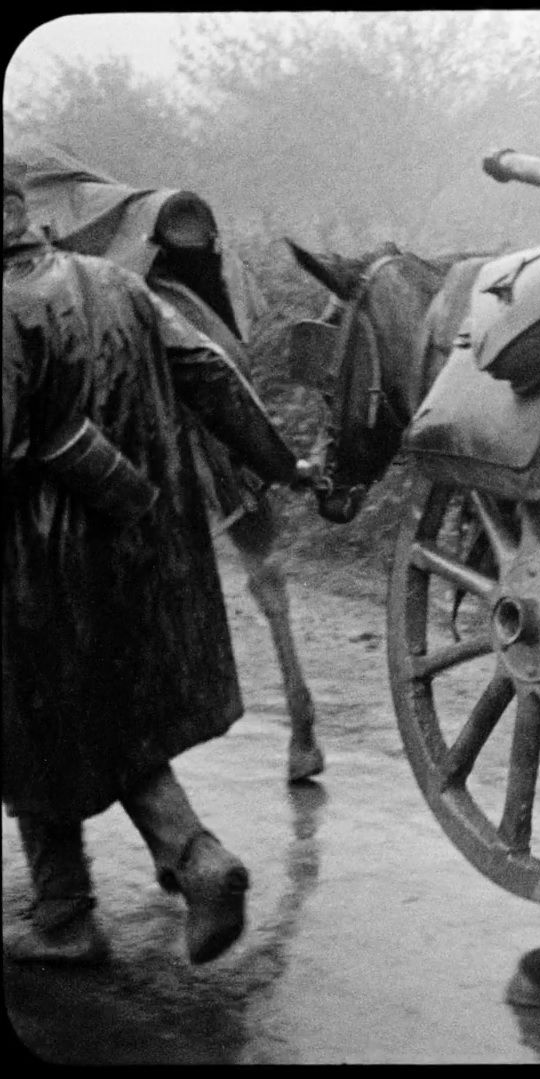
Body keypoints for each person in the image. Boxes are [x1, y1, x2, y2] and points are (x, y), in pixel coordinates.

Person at [3, 165, 311, 965]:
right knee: (94, 713)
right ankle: (190, 865)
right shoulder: (118, 281)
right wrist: (282, 464)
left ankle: (69, 917)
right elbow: (211, 374)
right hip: (138, 545)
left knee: (32, 716)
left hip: (35, 562)